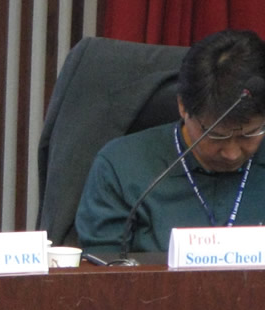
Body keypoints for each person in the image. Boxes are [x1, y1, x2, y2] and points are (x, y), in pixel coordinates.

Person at [76, 29, 265, 253]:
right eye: (216, 135)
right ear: (183, 106)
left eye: (249, 134)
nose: (232, 153)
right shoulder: (121, 167)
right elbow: (103, 267)